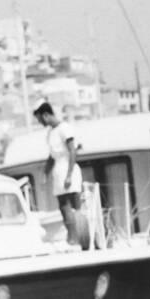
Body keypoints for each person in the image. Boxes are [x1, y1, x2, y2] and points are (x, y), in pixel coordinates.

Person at [33, 101, 83, 247]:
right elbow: (52, 156)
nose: (40, 122)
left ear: (46, 115)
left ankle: (78, 235)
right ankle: (71, 236)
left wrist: (69, 174)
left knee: (74, 203)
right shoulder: (50, 133)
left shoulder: (64, 128)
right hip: (58, 170)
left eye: (40, 119)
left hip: (69, 168)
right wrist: (45, 173)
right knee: (63, 206)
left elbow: (72, 150)